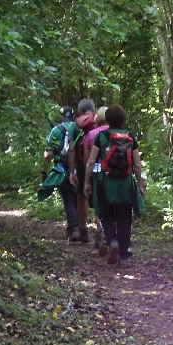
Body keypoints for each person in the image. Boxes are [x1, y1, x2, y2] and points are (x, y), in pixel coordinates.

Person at [84, 105, 146, 268]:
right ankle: (124, 256)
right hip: (126, 184)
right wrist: (140, 182)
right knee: (125, 218)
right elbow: (137, 164)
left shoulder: (102, 136)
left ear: (107, 119)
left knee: (107, 215)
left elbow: (91, 162)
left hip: (106, 183)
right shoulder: (130, 136)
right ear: (123, 119)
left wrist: (87, 182)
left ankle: (112, 241)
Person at [42, 105, 82, 241]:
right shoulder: (79, 129)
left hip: (62, 169)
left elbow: (48, 154)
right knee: (78, 198)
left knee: (68, 198)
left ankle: (75, 228)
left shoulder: (55, 131)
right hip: (80, 168)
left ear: (61, 116)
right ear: (73, 116)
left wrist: (44, 171)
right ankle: (77, 228)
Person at [79, 104, 112, 255]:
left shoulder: (91, 135)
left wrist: (86, 180)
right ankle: (112, 235)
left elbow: (88, 160)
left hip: (97, 173)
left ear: (97, 118)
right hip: (115, 173)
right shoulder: (118, 133)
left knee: (99, 204)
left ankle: (102, 230)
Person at [70, 99, 99, 245]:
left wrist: (71, 170)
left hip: (82, 165)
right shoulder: (99, 120)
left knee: (81, 197)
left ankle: (83, 230)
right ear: (94, 109)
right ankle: (101, 231)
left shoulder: (76, 125)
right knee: (100, 197)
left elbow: (71, 149)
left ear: (79, 111)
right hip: (99, 165)